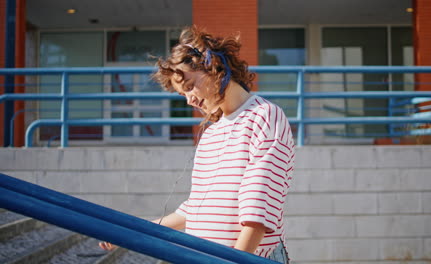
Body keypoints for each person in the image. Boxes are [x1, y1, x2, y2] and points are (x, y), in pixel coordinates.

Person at [100, 26, 295, 263]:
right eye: (183, 95)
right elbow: (194, 208)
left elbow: (258, 211)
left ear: (214, 67)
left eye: (190, 85)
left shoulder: (265, 116)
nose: (190, 100)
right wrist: (135, 229)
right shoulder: (211, 134)